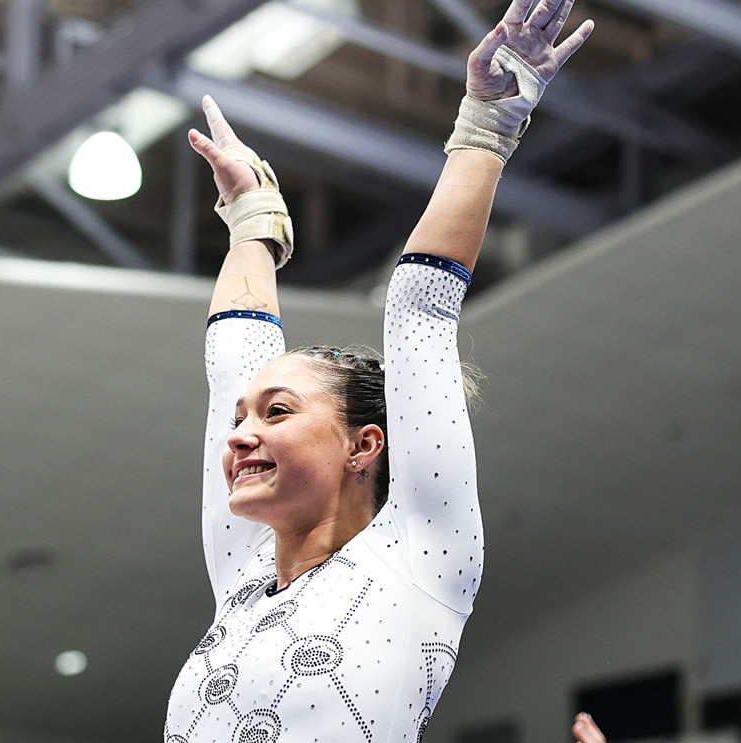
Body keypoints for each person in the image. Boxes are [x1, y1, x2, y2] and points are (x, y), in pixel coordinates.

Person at [162, 0, 595, 739]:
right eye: (242, 418)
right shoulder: (242, 573)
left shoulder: (420, 557)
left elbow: (421, 309)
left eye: (276, 412)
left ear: (364, 445)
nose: (236, 437)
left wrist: (486, 124)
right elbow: (231, 360)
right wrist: (252, 224)